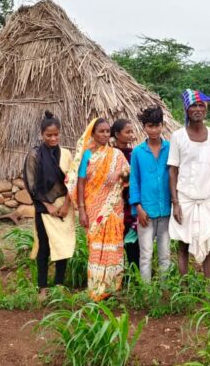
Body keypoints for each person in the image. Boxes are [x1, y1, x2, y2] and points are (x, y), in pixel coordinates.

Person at [66, 118, 129, 301]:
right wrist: (83, 210)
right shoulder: (87, 155)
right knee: (95, 246)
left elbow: (127, 177)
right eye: (101, 131)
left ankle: (112, 286)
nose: (104, 134)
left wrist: (122, 175)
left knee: (114, 245)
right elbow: (81, 183)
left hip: (113, 206)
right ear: (92, 133)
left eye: (107, 131)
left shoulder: (116, 155)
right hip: (93, 207)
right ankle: (96, 287)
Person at [168, 89, 210, 279]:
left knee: (209, 243)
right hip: (185, 198)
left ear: (206, 109)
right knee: (183, 242)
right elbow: (173, 170)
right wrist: (175, 203)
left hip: (208, 197)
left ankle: (207, 287)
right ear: (186, 110)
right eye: (193, 105)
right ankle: (185, 288)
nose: (198, 109)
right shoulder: (178, 136)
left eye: (201, 105)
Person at [22, 111, 75, 301]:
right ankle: (42, 288)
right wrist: (49, 206)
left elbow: (72, 182)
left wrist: (67, 205)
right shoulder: (34, 155)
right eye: (48, 135)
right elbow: (31, 185)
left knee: (64, 246)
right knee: (44, 248)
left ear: (60, 133)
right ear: (41, 134)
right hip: (45, 208)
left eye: (56, 134)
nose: (53, 138)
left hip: (65, 207)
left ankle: (59, 285)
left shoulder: (67, 154)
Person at [129, 105, 171, 283]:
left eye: (157, 125)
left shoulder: (170, 148)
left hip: (166, 210)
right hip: (145, 211)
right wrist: (138, 207)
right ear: (144, 127)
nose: (153, 130)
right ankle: (146, 292)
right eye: (149, 126)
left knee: (165, 253)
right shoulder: (138, 152)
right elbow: (134, 180)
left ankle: (164, 289)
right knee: (145, 254)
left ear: (162, 125)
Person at [111, 119, 140, 274]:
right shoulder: (110, 156)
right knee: (116, 240)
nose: (131, 135)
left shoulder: (135, 153)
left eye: (131, 131)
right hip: (115, 204)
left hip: (132, 203)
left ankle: (135, 275)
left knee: (134, 241)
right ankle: (118, 276)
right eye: (127, 132)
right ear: (117, 134)